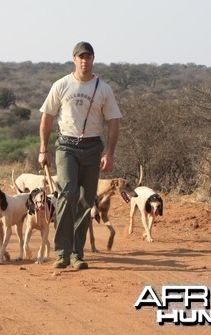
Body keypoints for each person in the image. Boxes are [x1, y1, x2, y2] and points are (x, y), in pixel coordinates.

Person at [38, 41, 121, 270]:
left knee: (86, 200)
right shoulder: (62, 85)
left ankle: (77, 253)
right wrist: (43, 149)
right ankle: (62, 252)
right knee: (67, 194)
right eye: (81, 57)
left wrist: (110, 153)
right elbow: (47, 117)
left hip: (93, 147)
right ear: (74, 59)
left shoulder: (103, 88)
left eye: (89, 57)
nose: (85, 61)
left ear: (93, 59)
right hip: (66, 146)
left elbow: (113, 122)